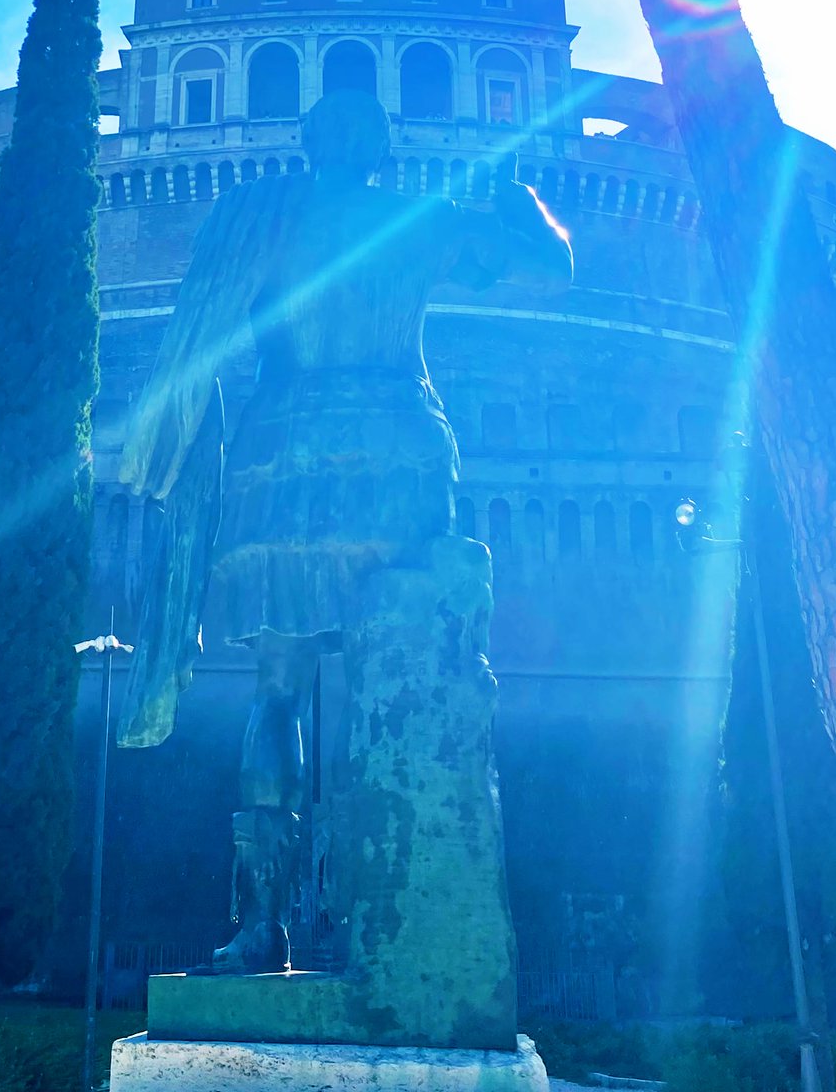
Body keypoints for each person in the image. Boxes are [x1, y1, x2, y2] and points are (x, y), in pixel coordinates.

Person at [120, 90, 573, 972]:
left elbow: (195, 345)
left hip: (280, 464)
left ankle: (261, 928)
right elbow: (550, 269)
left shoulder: (260, 214)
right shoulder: (419, 217)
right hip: (400, 458)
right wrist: (526, 203)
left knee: (276, 691)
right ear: (381, 152)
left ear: (307, 143)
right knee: (395, 680)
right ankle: (396, 925)